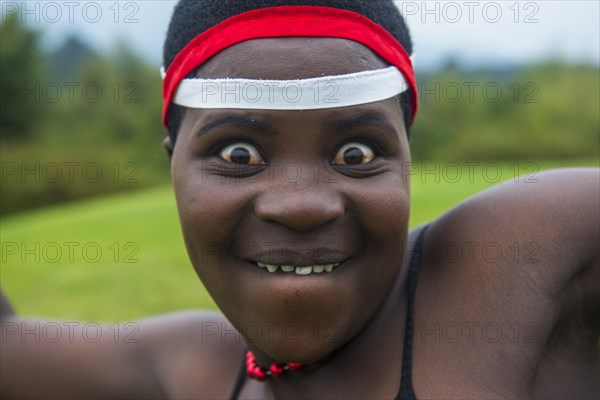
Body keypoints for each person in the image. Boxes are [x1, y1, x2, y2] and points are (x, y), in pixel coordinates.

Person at [1, 1, 598, 399]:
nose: (302, 205)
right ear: (172, 164)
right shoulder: (193, 369)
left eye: (357, 153)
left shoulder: (514, 260)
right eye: (238, 155)